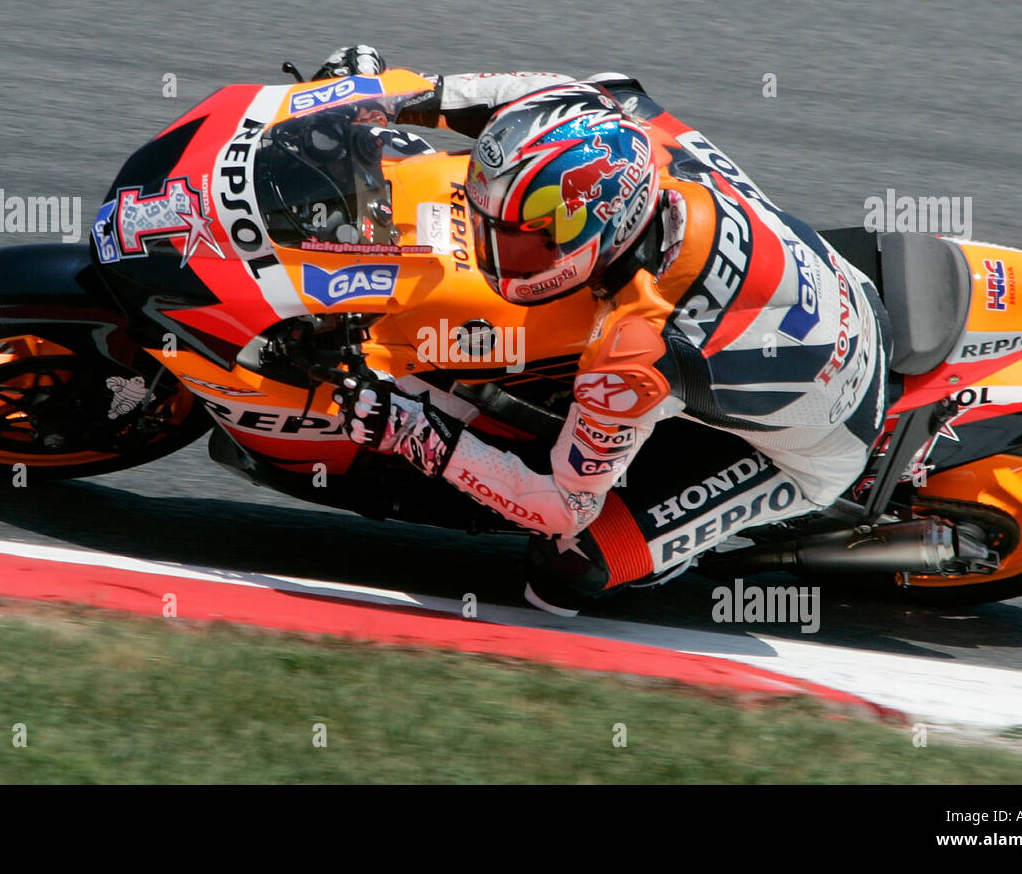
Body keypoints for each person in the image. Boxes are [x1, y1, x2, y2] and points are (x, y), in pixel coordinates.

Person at [316, 46, 891, 616]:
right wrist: (388, 101)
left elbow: (560, 506)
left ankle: (664, 555)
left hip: (819, 444)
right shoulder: (629, 131)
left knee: (569, 562)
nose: (493, 248)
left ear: (603, 228)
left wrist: (413, 431)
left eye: (527, 239)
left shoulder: (636, 344)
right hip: (825, 298)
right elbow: (546, 96)